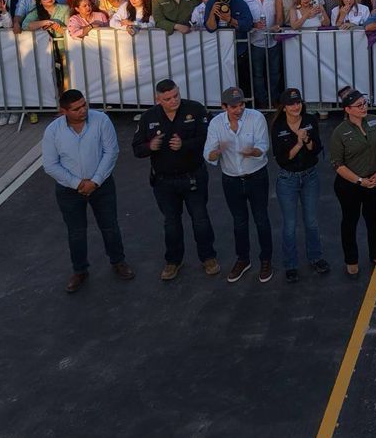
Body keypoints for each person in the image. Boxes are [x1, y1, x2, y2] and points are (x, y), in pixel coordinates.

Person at [41, 89, 133, 292]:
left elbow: (111, 151)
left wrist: (96, 181)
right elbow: (50, 164)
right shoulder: (52, 131)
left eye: (84, 105)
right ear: (63, 111)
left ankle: (118, 261)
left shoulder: (101, 121)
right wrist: (78, 184)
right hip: (68, 191)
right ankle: (79, 270)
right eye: (76, 108)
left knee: (109, 226)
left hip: (102, 186)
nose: (83, 110)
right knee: (76, 232)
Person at [131, 78, 218, 282]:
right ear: (158, 99)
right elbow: (136, 148)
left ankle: (208, 258)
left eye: (176, 95)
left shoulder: (195, 109)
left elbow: (208, 137)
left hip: (193, 176)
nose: (173, 101)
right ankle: (173, 261)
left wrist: (185, 144)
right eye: (167, 98)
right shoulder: (148, 117)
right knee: (171, 222)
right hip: (164, 181)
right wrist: (149, 147)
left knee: (201, 219)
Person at [205, 85, 273, 284]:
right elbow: (208, 152)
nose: (239, 109)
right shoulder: (216, 124)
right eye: (234, 106)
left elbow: (263, 146)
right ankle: (243, 259)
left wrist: (253, 152)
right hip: (231, 179)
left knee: (261, 219)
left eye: (241, 104)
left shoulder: (256, 118)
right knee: (239, 222)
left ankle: (266, 259)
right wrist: (216, 152)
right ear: (224, 106)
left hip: (257, 177)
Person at [270, 87, 329, 283]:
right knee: (290, 225)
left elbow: (317, 149)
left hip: (310, 176)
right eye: (291, 104)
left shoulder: (310, 121)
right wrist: (298, 143)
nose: (296, 106)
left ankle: (316, 257)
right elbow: (282, 159)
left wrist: (308, 140)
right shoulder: (277, 126)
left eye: (298, 102)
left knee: (311, 221)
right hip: (288, 179)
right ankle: (291, 264)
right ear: (284, 107)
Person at [329, 88, 376, 278]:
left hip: (375, 180)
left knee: (374, 218)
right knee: (350, 221)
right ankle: (351, 260)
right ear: (348, 109)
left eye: (365, 103)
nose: (364, 107)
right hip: (350, 185)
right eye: (359, 105)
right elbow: (338, 165)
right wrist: (360, 181)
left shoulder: (374, 121)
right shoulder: (340, 133)